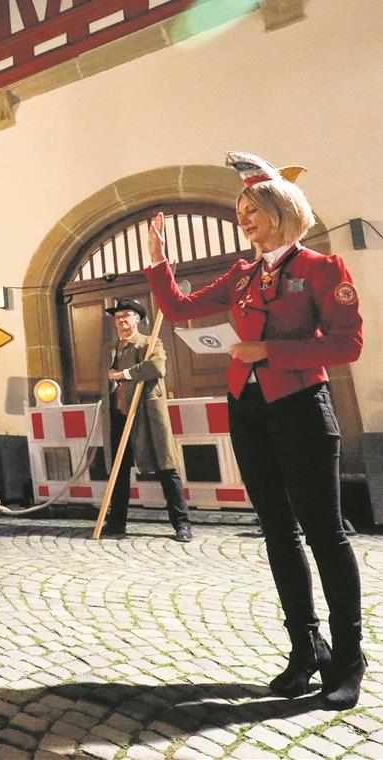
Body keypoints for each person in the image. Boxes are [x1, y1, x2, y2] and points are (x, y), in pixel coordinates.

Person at [143, 151, 364, 709]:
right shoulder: (243, 275)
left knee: (325, 535)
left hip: (301, 407)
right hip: (248, 409)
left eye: (253, 207)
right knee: (279, 534)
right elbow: (179, 307)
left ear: (282, 210)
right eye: (240, 209)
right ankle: (305, 647)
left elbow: (347, 345)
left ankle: (348, 657)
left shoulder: (321, 269)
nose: (244, 217)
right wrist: (158, 262)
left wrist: (268, 348)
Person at [99, 298, 193, 542]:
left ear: (137, 319)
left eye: (126, 315)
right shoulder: (110, 348)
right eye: (118, 316)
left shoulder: (150, 343)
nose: (121, 319)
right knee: (118, 471)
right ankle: (116, 523)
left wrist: (124, 374)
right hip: (118, 417)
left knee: (165, 466)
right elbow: (106, 381)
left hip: (146, 415)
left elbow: (157, 368)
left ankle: (182, 524)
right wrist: (112, 380)